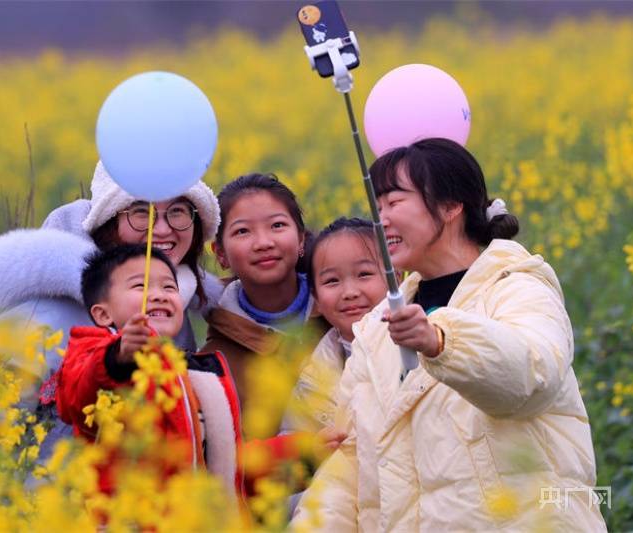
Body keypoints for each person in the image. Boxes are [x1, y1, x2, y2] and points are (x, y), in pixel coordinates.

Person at [292, 138, 606, 531]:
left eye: (394, 202)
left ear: (451, 205)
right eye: (377, 207)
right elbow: (353, 461)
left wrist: (443, 343)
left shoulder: (515, 286)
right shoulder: (376, 328)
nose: (381, 219)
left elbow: (532, 374)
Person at [0, 161, 223, 464]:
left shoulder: (171, 308)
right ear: (108, 222)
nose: (163, 228)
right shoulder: (44, 316)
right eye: (142, 212)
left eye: (178, 211)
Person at [54, 244, 242, 497]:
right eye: (140, 286)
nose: (159, 295)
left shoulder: (199, 374)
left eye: (169, 287)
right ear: (102, 314)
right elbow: (80, 394)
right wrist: (120, 356)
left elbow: (230, 466)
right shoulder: (94, 354)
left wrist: (304, 451)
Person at [202, 173, 329, 409]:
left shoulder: (343, 313)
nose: (263, 242)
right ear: (220, 253)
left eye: (277, 225)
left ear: (301, 239)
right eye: (242, 231)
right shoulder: (214, 362)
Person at [282, 217, 388, 435]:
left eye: (364, 274)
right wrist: (312, 449)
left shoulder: (418, 348)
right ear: (316, 299)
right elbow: (293, 438)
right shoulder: (312, 375)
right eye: (332, 281)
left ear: (395, 278)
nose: (349, 292)